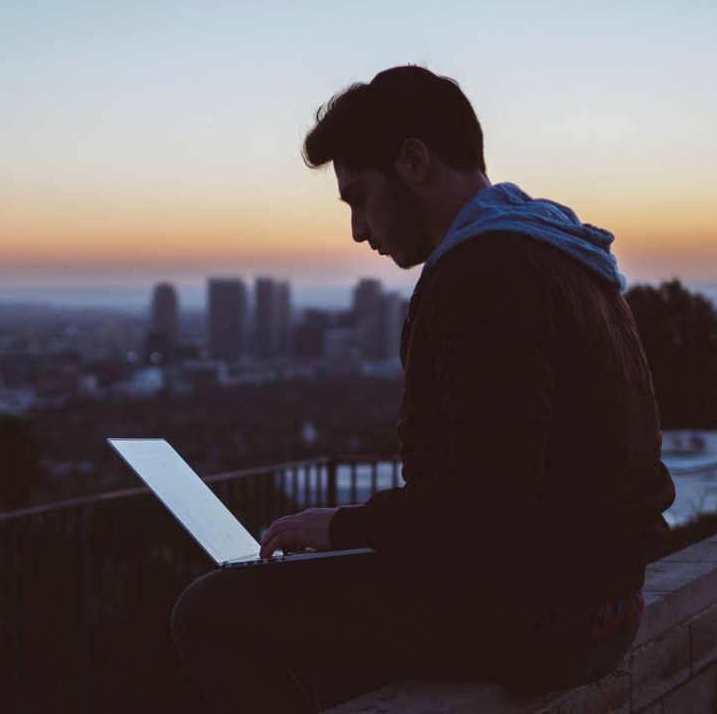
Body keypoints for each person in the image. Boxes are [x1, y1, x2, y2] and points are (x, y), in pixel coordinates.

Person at [170, 66, 677, 713]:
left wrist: (341, 526)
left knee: (209, 610)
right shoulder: (558, 252)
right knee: (335, 618)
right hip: (604, 599)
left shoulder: (486, 272)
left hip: (544, 614)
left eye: (358, 197)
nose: (357, 230)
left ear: (413, 161)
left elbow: (488, 498)